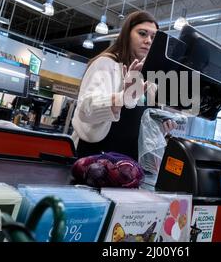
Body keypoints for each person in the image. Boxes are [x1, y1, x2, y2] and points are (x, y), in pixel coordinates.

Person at [71, 10, 177, 160]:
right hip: (95, 158)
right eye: (142, 33)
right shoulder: (106, 64)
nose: (148, 41)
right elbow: (86, 109)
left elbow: (142, 126)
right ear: (127, 34)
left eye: (153, 37)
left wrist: (161, 128)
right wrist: (121, 98)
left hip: (130, 165)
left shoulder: (150, 79)